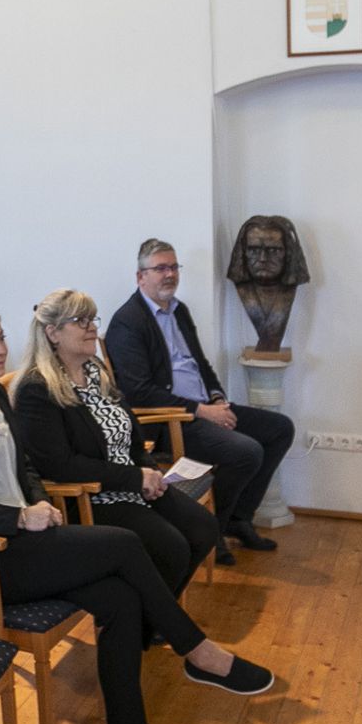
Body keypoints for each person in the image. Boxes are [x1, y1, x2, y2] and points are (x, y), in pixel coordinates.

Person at [0, 303, 274, 724]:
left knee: (121, 600)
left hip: (23, 537)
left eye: (1, 338)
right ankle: (197, 650)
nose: (0, 350)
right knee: (123, 544)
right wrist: (17, 517)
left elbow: (26, 469)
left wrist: (37, 501)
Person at [13, 288, 220, 599]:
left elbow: (132, 435)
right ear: (53, 333)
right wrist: (135, 478)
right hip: (91, 496)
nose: (91, 327)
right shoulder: (38, 388)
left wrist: (149, 472)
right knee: (172, 547)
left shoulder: (95, 370)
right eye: (80, 321)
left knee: (203, 528)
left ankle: (156, 612)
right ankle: (152, 615)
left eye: (92, 318)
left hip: (131, 482)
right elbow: (59, 465)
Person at [106, 238, 294, 562]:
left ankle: (238, 519)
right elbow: (138, 391)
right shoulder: (128, 321)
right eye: (160, 268)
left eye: (173, 267)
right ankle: (210, 530)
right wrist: (201, 411)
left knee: (279, 428)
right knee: (246, 452)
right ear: (140, 277)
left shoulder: (179, 311)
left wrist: (217, 399)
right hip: (170, 421)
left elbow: (200, 365)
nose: (169, 274)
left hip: (204, 407)